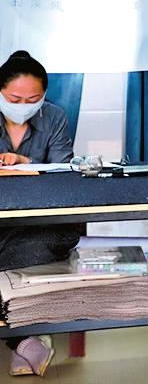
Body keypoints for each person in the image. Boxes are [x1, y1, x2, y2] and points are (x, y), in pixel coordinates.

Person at [0, 51, 76, 377]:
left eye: (32, 100)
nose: (23, 106)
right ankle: (26, 339)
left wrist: (26, 163)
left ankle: (21, 336)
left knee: (45, 244)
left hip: (41, 221)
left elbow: (64, 170)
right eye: (14, 99)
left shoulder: (55, 117)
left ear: (43, 95)